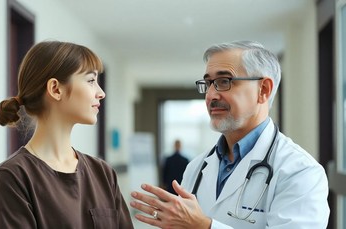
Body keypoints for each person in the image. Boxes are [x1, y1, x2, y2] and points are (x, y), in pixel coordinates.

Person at [130, 40, 329, 228]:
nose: (210, 96)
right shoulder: (196, 168)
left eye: (224, 81)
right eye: (208, 83)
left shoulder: (300, 172)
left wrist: (204, 226)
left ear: (263, 90)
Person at [0, 41, 134, 229]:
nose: (101, 93)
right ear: (55, 88)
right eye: (91, 80)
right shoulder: (12, 177)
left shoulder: (103, 173)